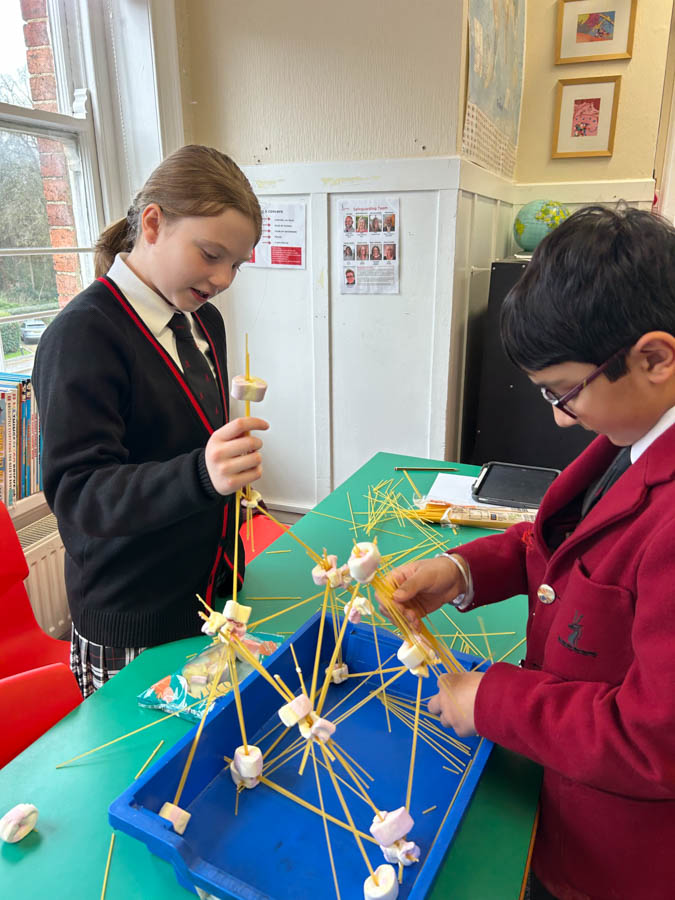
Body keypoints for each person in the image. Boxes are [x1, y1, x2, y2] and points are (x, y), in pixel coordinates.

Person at [389, 206, 675, 900]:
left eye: (564, 393)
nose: (556, 417)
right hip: (561, 794)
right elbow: (568, 546)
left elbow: (653, 742)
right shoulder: (634, 436)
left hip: (612, 859)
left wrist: (493, 700)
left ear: (654, 358)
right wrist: (462, 569)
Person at [33, 145, 269, 698]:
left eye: (236, 264)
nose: (223, 278)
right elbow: (78, 492)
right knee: (152, 755)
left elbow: (185, 444)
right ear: (154, 223)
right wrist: (202, 474)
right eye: (211, 254)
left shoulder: (203, 321)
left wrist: (226, 477)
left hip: (209, 597)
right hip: (135, 619)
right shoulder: (83, 336)